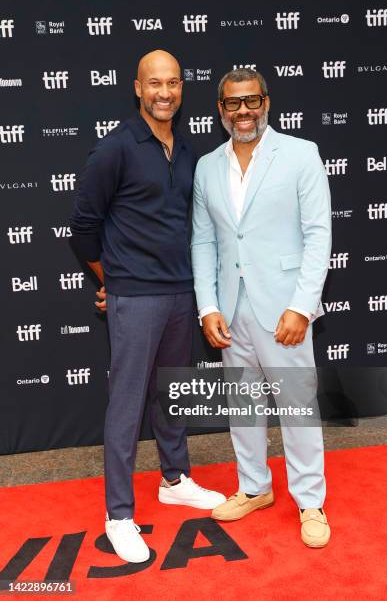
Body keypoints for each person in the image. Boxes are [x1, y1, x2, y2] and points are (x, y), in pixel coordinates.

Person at [69, 50, 225, 564]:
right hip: (134, 296)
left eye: (173, 83)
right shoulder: (115, 148)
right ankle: (118, 515)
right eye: (154, 84)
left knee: (170, 394)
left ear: (183, 88)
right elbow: (84, 227)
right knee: (127, 406)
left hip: (182, 292)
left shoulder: (186, 152)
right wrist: (110, 280)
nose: (164, 92)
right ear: (137, 88)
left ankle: (175, 479)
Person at [191, 68, 332, 548]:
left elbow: (318, 235)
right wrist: (208, 305)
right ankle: (253, 487)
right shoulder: (208, 166)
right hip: (231, 309)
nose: (243, 111)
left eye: (251, 101)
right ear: (221, 110)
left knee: (297, 406)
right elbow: (203, 241)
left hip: (284, 309)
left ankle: (310, 500)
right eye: (233, 103)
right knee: (243, 406)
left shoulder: (300, 154)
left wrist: (302, 305)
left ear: (266, 102)